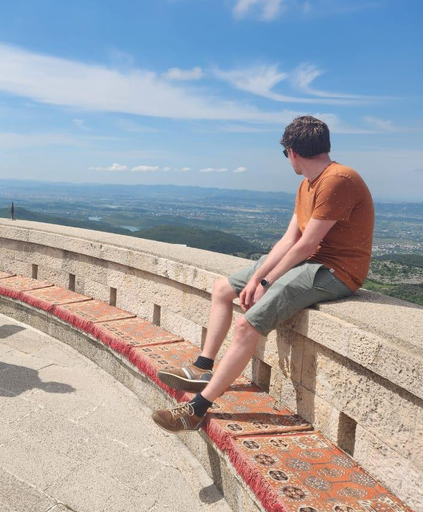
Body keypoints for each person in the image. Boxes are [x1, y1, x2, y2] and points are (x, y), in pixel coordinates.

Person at [151, 115, 374, 432]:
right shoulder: (307, 185)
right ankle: (203, 366)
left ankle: (196, 410)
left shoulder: (338, 179)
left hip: (335, 270)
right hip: (308, 259)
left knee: (246, 325)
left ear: (292, 152)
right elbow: (289, 240)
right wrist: (256, 277)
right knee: (222, 289)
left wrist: (266, 283)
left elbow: (307, 243)